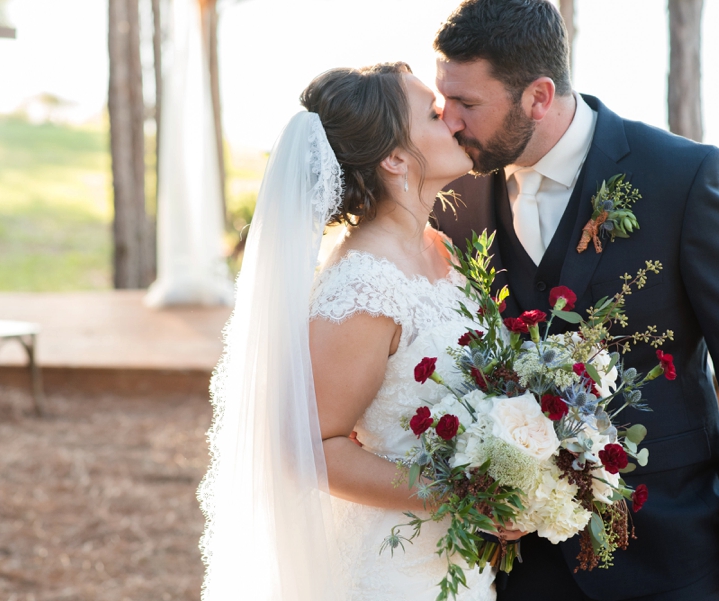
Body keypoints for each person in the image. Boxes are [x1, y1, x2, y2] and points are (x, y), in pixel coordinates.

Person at [430, 1, 719, 600]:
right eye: (445, 100)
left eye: (468, 104)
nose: (448, 121)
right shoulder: (456, 189)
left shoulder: (682, 177)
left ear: (538, 96)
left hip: (666, 540)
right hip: (510, 557)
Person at [198, 62, 505, 601]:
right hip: (393, 571)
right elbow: (312, 447)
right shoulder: (364, 286)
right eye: (435, 113)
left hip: (459, 564)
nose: (455, 120)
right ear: (393, 158)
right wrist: (454, 493)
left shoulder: (442, 248)